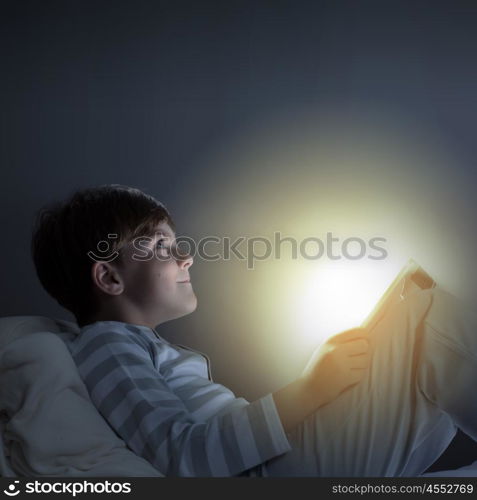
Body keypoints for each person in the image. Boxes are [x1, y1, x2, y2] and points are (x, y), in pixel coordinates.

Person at [30, 184, 477, 477]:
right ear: (109, 279)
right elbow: (184, 458)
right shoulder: (107, 343)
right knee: (427, 309)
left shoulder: (136, 346)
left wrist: (321, 387)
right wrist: (309, 391)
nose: (185, 256)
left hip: (278, 461)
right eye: (162, 247)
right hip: (273, 473)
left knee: (416, 305)